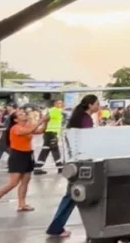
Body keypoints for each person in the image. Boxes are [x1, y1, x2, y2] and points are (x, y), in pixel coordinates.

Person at [45, 95, 100, 238]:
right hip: (83, 163)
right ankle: (56, 227)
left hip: (76, 162)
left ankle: (58, 227)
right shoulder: (86, 120)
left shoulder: (78, 118)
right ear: (90, 105)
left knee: (72, 195)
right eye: (96, 103)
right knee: (73, 196)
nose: (98, 106)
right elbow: (88, 140)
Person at [0, 108, 48, 214]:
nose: (24, 115)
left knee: (25, 181)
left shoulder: (28, 126)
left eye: (23, 113)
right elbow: (28, 131)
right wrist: (40, 121)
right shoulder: (15, 128)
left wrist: (46, 122)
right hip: (17, 155)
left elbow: (40, 131)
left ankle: (22, 204)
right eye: (20, 114)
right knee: (13, 183)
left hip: (27, 154)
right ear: (15, 120)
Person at [35, 99, 64, 175]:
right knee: (54, 150)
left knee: (46, 150)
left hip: (50, 133)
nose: (60, 104)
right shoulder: (54, 110)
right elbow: (44, 119)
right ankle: (60, 167)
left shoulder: (57, 111)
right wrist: (37, 126)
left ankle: (38, 167)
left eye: (61, 103)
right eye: (58, 103)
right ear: (54, 104)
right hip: (51, 133)